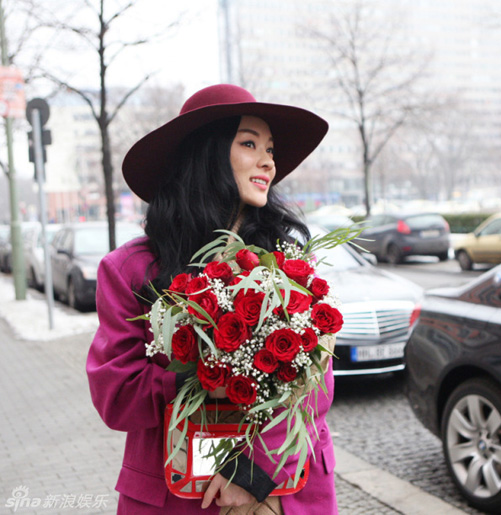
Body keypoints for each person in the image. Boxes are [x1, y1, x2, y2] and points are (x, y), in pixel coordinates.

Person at [86, 84, 336, 514]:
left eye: (270, 148)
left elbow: (316, 386)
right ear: (208, 155)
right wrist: (202, 379)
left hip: (281, 488)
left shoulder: (288, 264)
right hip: (174, 496)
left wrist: (252, 474)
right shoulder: (130, 270)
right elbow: (116, 394)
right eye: (249, 143)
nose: (268, 161)